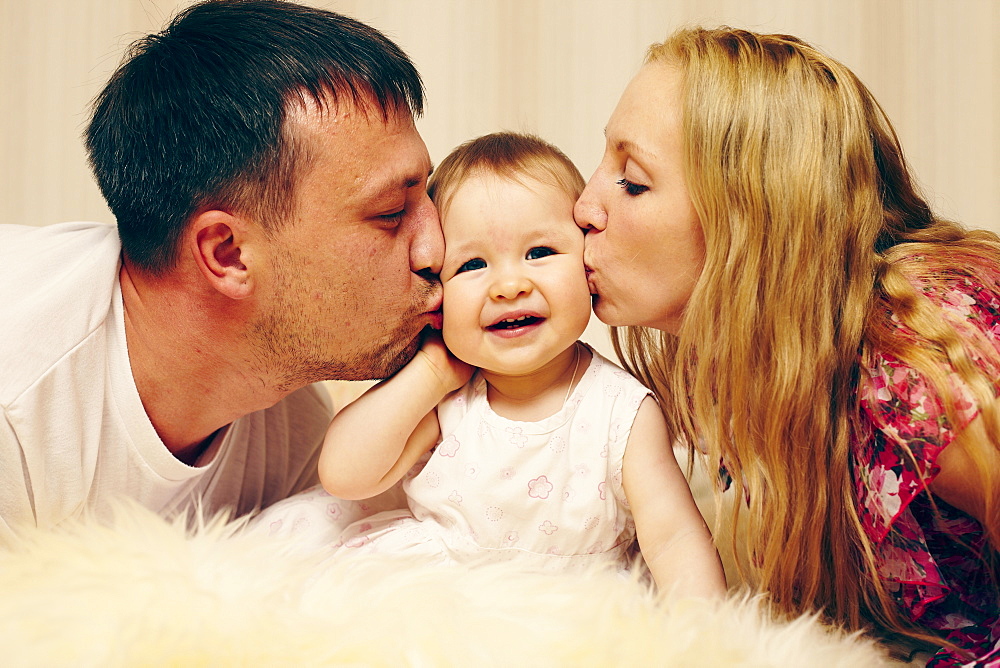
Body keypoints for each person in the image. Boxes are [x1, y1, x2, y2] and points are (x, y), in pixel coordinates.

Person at [573, 26, 1000, 666]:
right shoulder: (760, 377)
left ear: (753, 219)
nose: (582, 205)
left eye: (631, 181)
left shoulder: (917, 348)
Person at [0, 0, 443, 543]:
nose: (437, 248)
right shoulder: (15, 392)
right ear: (228, 254)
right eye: (391, 215)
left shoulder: (293, 428)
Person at [255, 132, 726, 600]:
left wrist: (706, 633)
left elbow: (673, 536)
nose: (508, 286)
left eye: (539, 253)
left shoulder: (622, 411)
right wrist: (433, 371)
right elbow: (345, 475)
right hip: (440, 594)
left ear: (587, 265)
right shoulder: (448, 397)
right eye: (472, 265)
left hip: (574, 603)